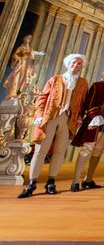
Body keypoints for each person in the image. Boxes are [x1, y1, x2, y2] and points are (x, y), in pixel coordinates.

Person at [18, 54, 88, 198]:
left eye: (79, 64)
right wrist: (38, 115)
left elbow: (82, 103)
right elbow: (42, 97)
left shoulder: (83, 83)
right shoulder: (55, 79)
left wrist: (80, 117)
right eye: (74, 63)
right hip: (50, 117)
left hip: (68, 119)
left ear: (82, 67)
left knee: (60, 152)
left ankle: (51, 182)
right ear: (68, 64)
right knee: (40, 151)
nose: (76, 66)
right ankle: (32, 183)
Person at [70, 64, 104, 191]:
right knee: (85, 150)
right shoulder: (97, 85)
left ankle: (88, 179)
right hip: (94, 124)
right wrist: (95, 116)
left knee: (98, 152)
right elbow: (88, 104)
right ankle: (75, 181)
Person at [2, 35, 44, 101]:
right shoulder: (21, 47)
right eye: (27, 39)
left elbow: (32, 52)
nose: (28, 40)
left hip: (26, 66)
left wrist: (39, 53)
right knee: (16, 79)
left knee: (23, 80)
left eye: (29, 39)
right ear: (24, 40)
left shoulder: (30, 48)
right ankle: (12, 94)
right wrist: (19, 59)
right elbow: (15, 55)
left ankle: (17, 93)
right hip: (20, 65)